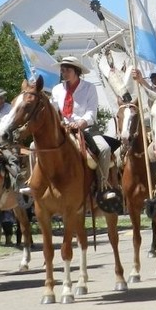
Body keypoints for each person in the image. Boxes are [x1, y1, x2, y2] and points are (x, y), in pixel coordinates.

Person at [50, 56, 120, 204]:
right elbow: (54, 110)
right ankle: (37, 184)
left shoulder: (89, 87)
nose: (64, 73)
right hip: (63, 129)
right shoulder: (57, 89)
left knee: (105, 148)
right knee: (33, 146)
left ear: (76, 71)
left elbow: (91, 112)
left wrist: (81, 122)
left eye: (67, 70)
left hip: (86, 128)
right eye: (62, 70)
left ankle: (103, 187)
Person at [0, 88, 21, 189]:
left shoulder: (11, 111)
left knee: (12, 158)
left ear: (2, 99)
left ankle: (17, 183)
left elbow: (7, 127)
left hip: (6, 143)